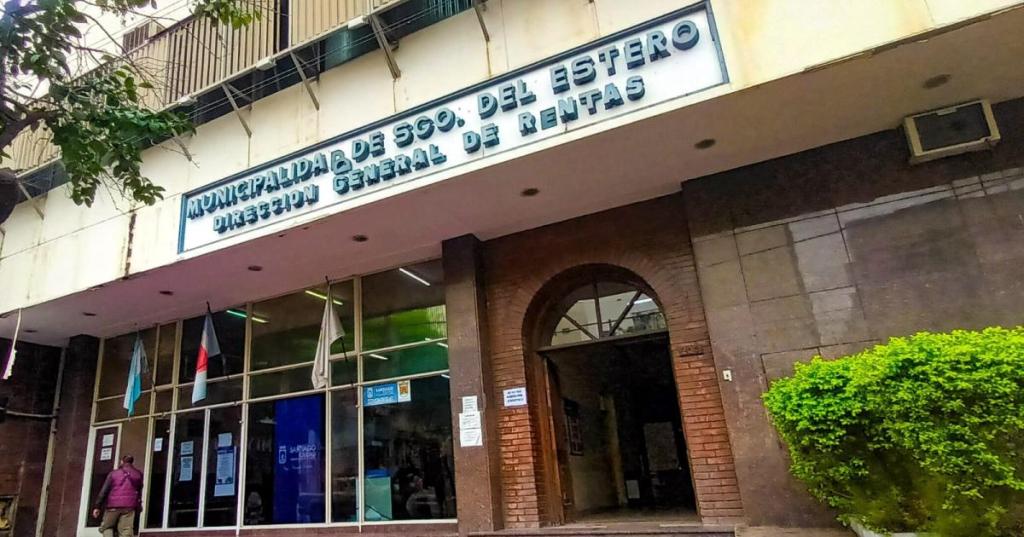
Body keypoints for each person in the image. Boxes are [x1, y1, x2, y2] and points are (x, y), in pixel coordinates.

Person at [91, 455, 143, 537]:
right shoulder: (138, 474)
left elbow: (104, 490)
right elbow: (139, 491)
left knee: (107, 527)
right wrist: (138, 505)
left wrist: (97, 506)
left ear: (122, 461)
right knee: (126, 530)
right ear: (132, 462)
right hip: (129, 506)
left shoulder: (113, 474)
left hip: (113, 506)